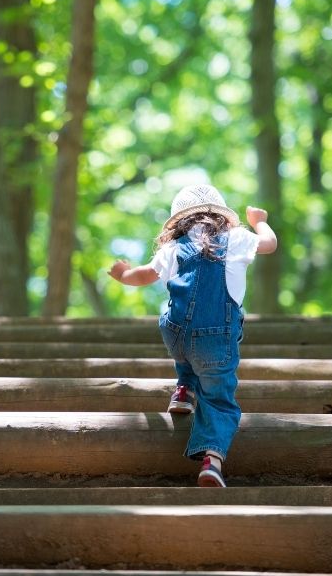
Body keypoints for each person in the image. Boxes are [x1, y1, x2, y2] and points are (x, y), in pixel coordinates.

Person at [108, 183, 277, 487]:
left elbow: (143, 275)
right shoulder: (237, 239)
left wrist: (121, 275)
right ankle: (211, 460)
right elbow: (269, 244)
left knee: (187, 347)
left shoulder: (173, 248)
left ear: (180, 222)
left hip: (175, 335)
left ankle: (184, 390)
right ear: (222, 218)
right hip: (216, 340)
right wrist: (259, 220)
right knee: (218, 398)